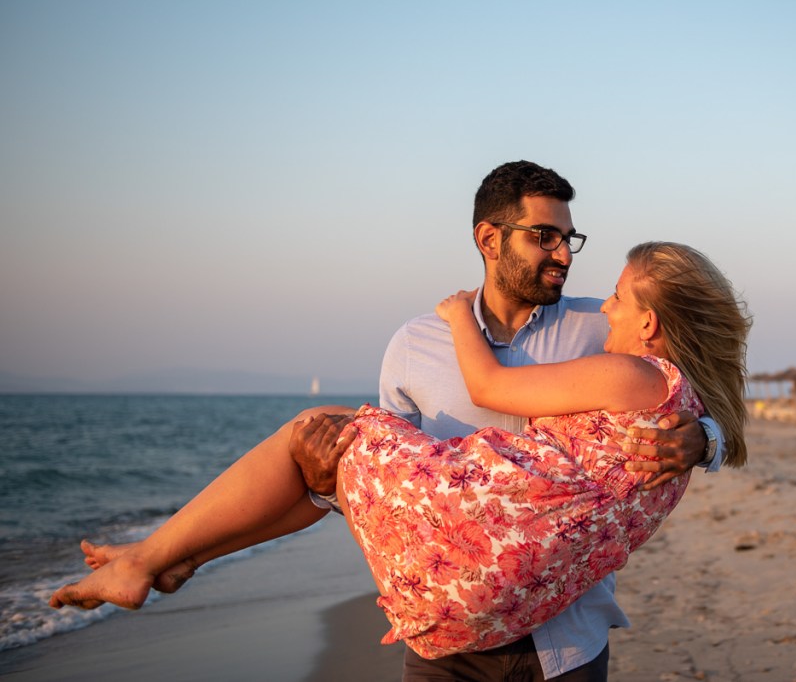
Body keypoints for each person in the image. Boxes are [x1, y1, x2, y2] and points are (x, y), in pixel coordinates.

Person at [54, 161, 729, 681]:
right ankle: (175, 558)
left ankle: (160, 557)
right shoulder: (415, 345)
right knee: (322, 452)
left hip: (562, 639)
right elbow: (369, 495)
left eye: (568, 237)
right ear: (489, 238)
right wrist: (323, 475)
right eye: (544, 236)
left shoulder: (600, 328)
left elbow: (698, 393)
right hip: (450, 644)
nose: (565, 254)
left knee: (322, 425)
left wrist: (703, 442)